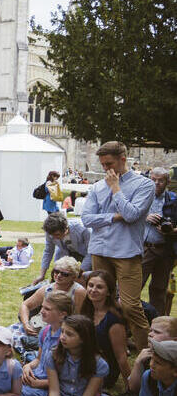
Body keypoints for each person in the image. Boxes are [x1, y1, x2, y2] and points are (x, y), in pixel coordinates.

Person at [82, 141, 155, 349]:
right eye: (103, 164)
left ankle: (147, 353)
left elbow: (131, 215)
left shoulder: (144, 185)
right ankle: (107, 348)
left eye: (109, 164)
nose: (106, 169)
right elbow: (86, 219)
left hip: (126, 251)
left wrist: (115, 188)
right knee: (101, 302)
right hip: (100, 249)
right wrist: (114, 217)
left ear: (123, 159)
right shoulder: (97, 186)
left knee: (130, 305)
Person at [30, 315, 109, 396]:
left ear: (83, 339)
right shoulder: (52, 355)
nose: (62, 337)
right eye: (62, 331)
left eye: (69, 334)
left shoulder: (99, 364)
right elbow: (54, 390)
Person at [80, 270, 130, 391]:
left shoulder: (113, 319)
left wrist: (130, 387)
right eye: (90, 285)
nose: (93, 290)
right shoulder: (87, 309)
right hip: (87, 361)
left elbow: (121, 356)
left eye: (99, 287)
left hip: (103, 370)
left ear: (108, 292)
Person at [22, 291, 74, 396]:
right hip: (36, 378)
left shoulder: (66, 341)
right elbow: (38, 359)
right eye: (42, 307)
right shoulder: (45, 331)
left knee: (13, 391)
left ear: (62, 314)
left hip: (49, 389)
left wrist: (38, 384)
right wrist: (28, 366)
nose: (41, 311)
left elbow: (67, 379)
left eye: (47, 309)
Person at [20, 257, 86, 336]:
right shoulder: (47, 289)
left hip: (60, 332)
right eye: (56, 271)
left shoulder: (78, 292)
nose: (59, 275)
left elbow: (80, 318)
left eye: (65, 274)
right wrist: (26, 324)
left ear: (74, 277)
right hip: (37, 325)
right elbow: (25, 305)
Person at [143, 167, 177, 315]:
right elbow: (126, 215)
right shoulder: (141, 196)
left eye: (160, 180)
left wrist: (171, 230)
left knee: (159, 290)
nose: (156, 183)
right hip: (144, 248)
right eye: (153, 180)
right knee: (134, 287)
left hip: (164, 250)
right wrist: (145, 217)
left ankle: (157, 323)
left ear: (167, 182)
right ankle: (132, 322)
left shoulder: (174, 200)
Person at [35, 212, 92, 284]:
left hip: (86, 252)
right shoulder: (50, 232)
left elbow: (90, 252)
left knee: (85, 277)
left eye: (57, 234)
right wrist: (42, 275)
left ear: (66, 228)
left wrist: (80, 273)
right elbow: (48, 251)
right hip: (65, 251)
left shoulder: (84, 229)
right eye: (52, 235)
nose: (54, 238)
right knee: (58, 273)